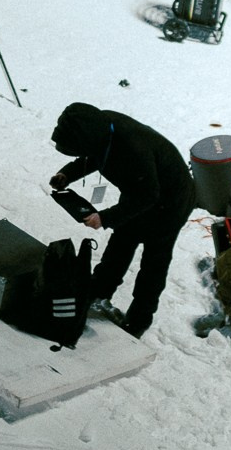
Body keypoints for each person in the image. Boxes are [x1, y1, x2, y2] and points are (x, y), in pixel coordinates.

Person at [49, 103, 195, 338]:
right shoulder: (100, 127)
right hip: (139, 192)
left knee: (153, 264)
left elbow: (149, 194)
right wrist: (67, 174)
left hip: (170, 203)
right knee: (120, 245)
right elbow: (94, 156)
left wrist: (104, 217)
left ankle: (138, 322)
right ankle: (98, 294)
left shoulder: (132, 148)